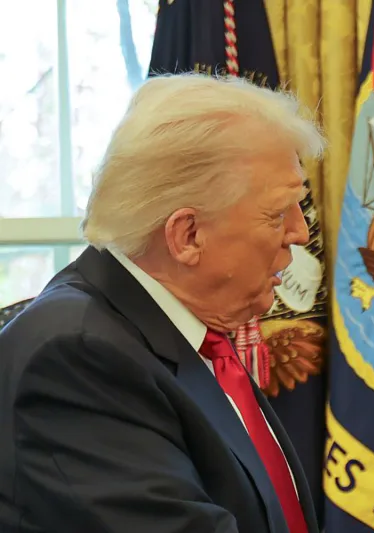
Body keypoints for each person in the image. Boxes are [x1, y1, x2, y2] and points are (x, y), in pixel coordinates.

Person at [0, 73, 325, 532]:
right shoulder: (77, 358)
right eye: (277, 213)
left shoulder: (184, 333)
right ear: (187, 235)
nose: (300, 233)